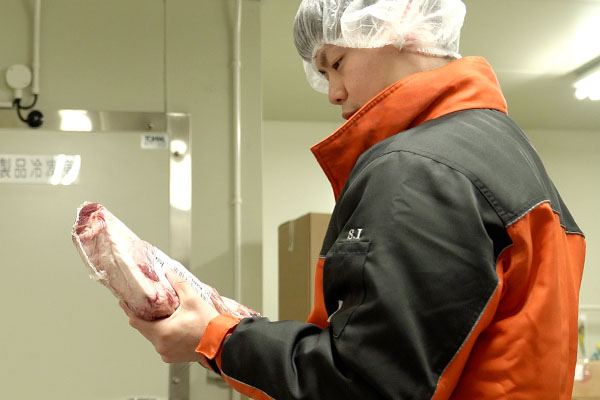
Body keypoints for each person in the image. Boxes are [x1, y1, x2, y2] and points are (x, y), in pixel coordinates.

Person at [120, 0, 587, 398]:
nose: (333, 93)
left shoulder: (418, 168)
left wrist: (215, 339)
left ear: (398, 22)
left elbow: (367, 383)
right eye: (322, 73)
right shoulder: (503, 151)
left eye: (337, 63)